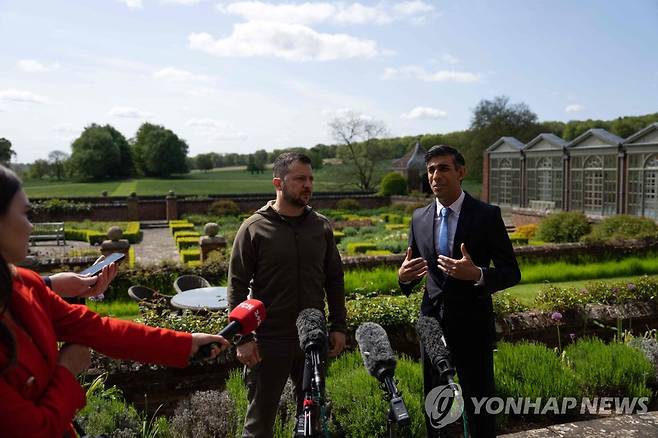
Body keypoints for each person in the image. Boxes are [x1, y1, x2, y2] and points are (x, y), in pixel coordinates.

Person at [0, 164, 231, 438]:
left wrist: (187, 343)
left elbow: (100, 330)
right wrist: (67, 369)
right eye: (25, 214)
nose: (31, 226)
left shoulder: (24, 284)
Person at [398, 145, 521, 438]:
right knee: (436, 405)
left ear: (461, 172)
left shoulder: (487, 216)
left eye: (443, 168)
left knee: (479, 406)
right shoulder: (419, 218)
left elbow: (511, 272)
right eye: (431, 170)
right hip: (431, 325)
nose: (435, 176)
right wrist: (403, 278)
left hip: (473, 325)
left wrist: (477, 273)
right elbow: (412, 271)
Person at [228, 152, 347, 437]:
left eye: (310, 179)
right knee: (259, 424)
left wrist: (339, 327)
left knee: (312, 420)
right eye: (300, 179)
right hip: (269, 340)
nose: (308, 185)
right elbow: (237, 286)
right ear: (278, 183)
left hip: (312, 339)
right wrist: (243, 338)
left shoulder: (320, 226)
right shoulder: (254, 228)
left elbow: (335, 280)